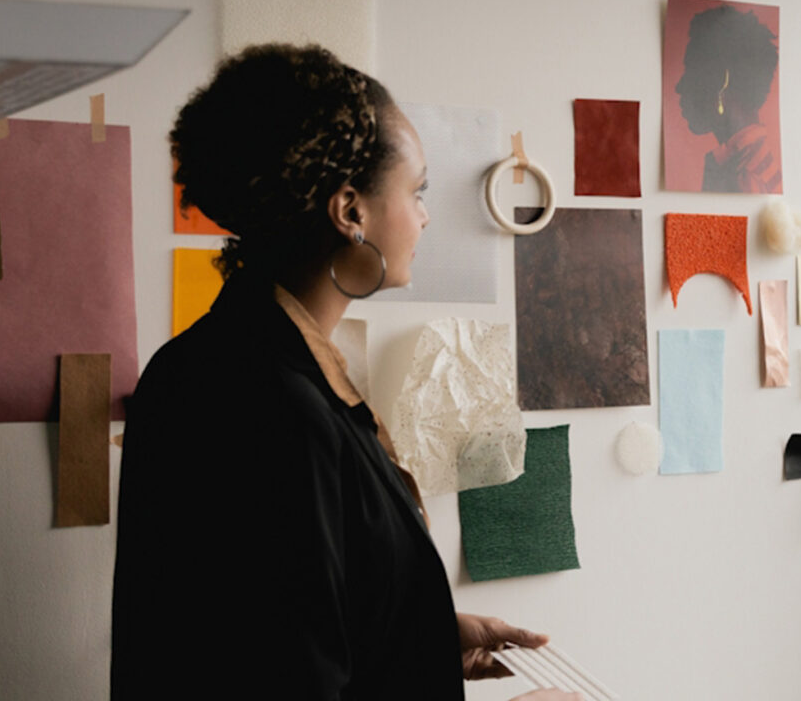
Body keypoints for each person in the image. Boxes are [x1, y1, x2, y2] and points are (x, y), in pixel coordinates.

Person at [112, 44, 576, 700]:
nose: (424, 215)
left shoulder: (206, 362)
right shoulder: (276, 410)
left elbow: (264, 627)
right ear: (350, 211)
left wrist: (423, 639)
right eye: (415, 191)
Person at [673, 3, 781, 193]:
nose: (679, 87)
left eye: (691, 71)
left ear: (721, 80)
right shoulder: (742, 164)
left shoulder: (745, 176)